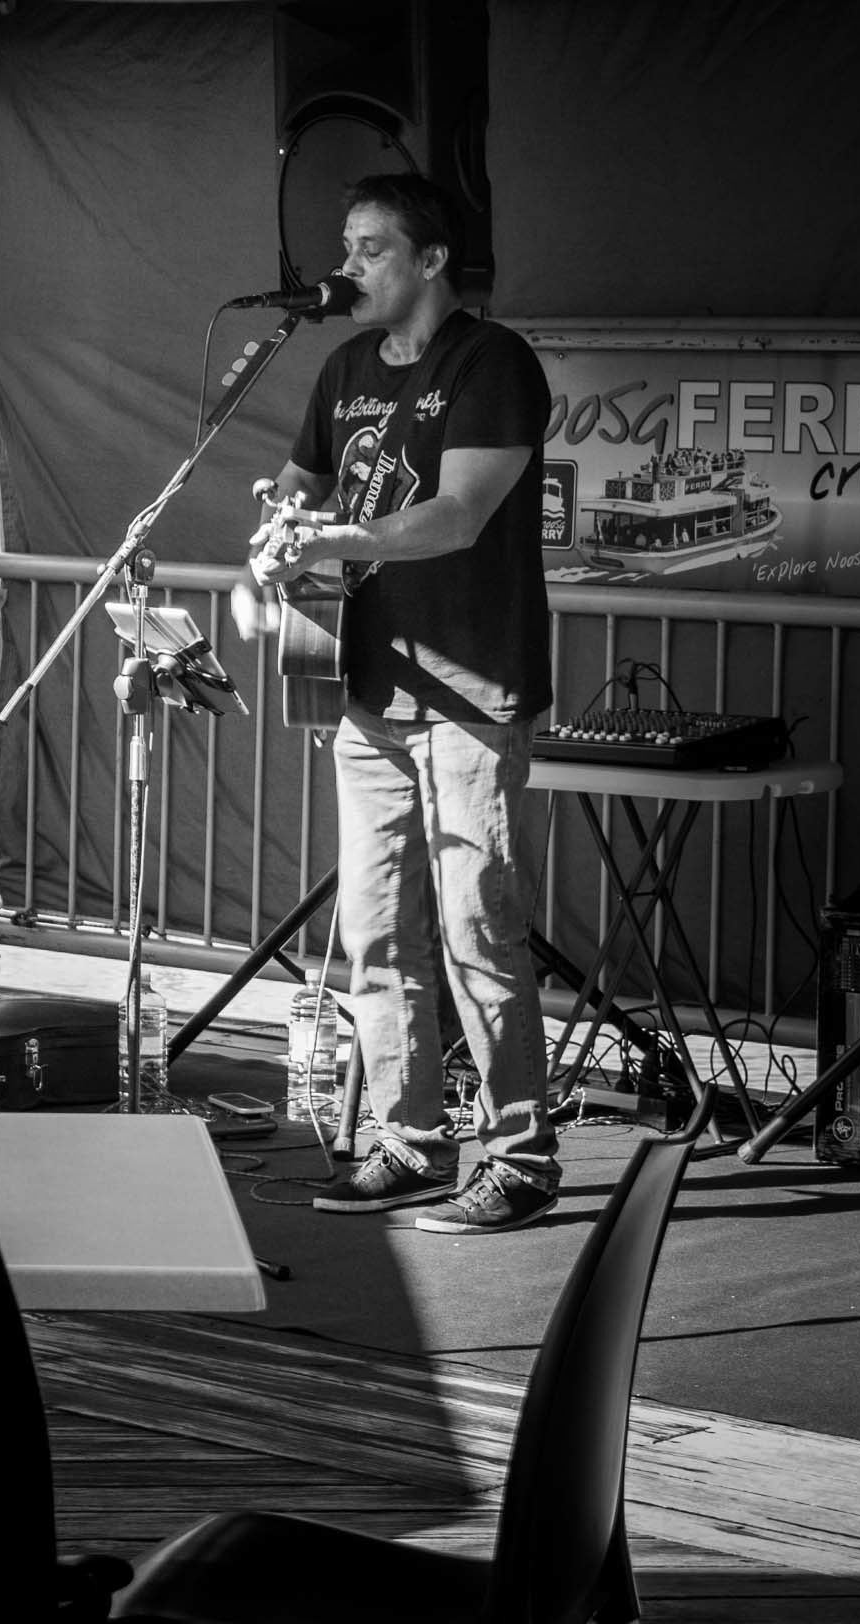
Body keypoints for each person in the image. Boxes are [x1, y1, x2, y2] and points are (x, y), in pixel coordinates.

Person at [236, 173, 558, 1232]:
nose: (348, 266)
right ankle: (408, 1140)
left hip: (471, 691)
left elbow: (459, 514)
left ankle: (519, 1158)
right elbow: (299, 494)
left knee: (477, 928)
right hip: (371, 690)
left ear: (430, 261)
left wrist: (334, 538)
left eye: (372, 248)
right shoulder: (341, 368)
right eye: (346, 244)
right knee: (376, 932)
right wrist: (277, 545)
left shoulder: (493, 362)